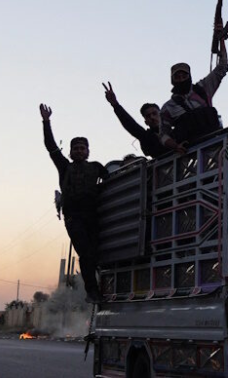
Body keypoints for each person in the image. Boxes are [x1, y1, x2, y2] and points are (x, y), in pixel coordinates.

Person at [40, 104, 108, 302]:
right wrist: (46, 122)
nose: (79, 151)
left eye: (82, 148)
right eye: (75, 148)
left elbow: (112, 178)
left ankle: (101, 288)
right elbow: (51, 147)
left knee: (96, 254)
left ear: (88, 151)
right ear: (70, 152)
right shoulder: (65, 167)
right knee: (85, 253)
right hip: (73, 217)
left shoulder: (96, 167)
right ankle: (92, 292)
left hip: (93, 216)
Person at [160, 21, 228, 153]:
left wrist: (221, 39)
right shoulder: (168, 108)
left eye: (184, 76)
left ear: (189, 76)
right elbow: (163, 135)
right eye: (177, 77)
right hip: (191, 153)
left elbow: (222, 67)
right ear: (172, 80)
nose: (181, 79)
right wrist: (175, 146)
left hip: (216, 144)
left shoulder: (203, 88)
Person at [102, 82, 169, 159]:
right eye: (148, 116)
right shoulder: (147, 136)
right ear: (146, 122)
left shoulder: (173, 131)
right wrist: (115, 105)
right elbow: (130, 124)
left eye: (154, 114)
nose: (152, 117)